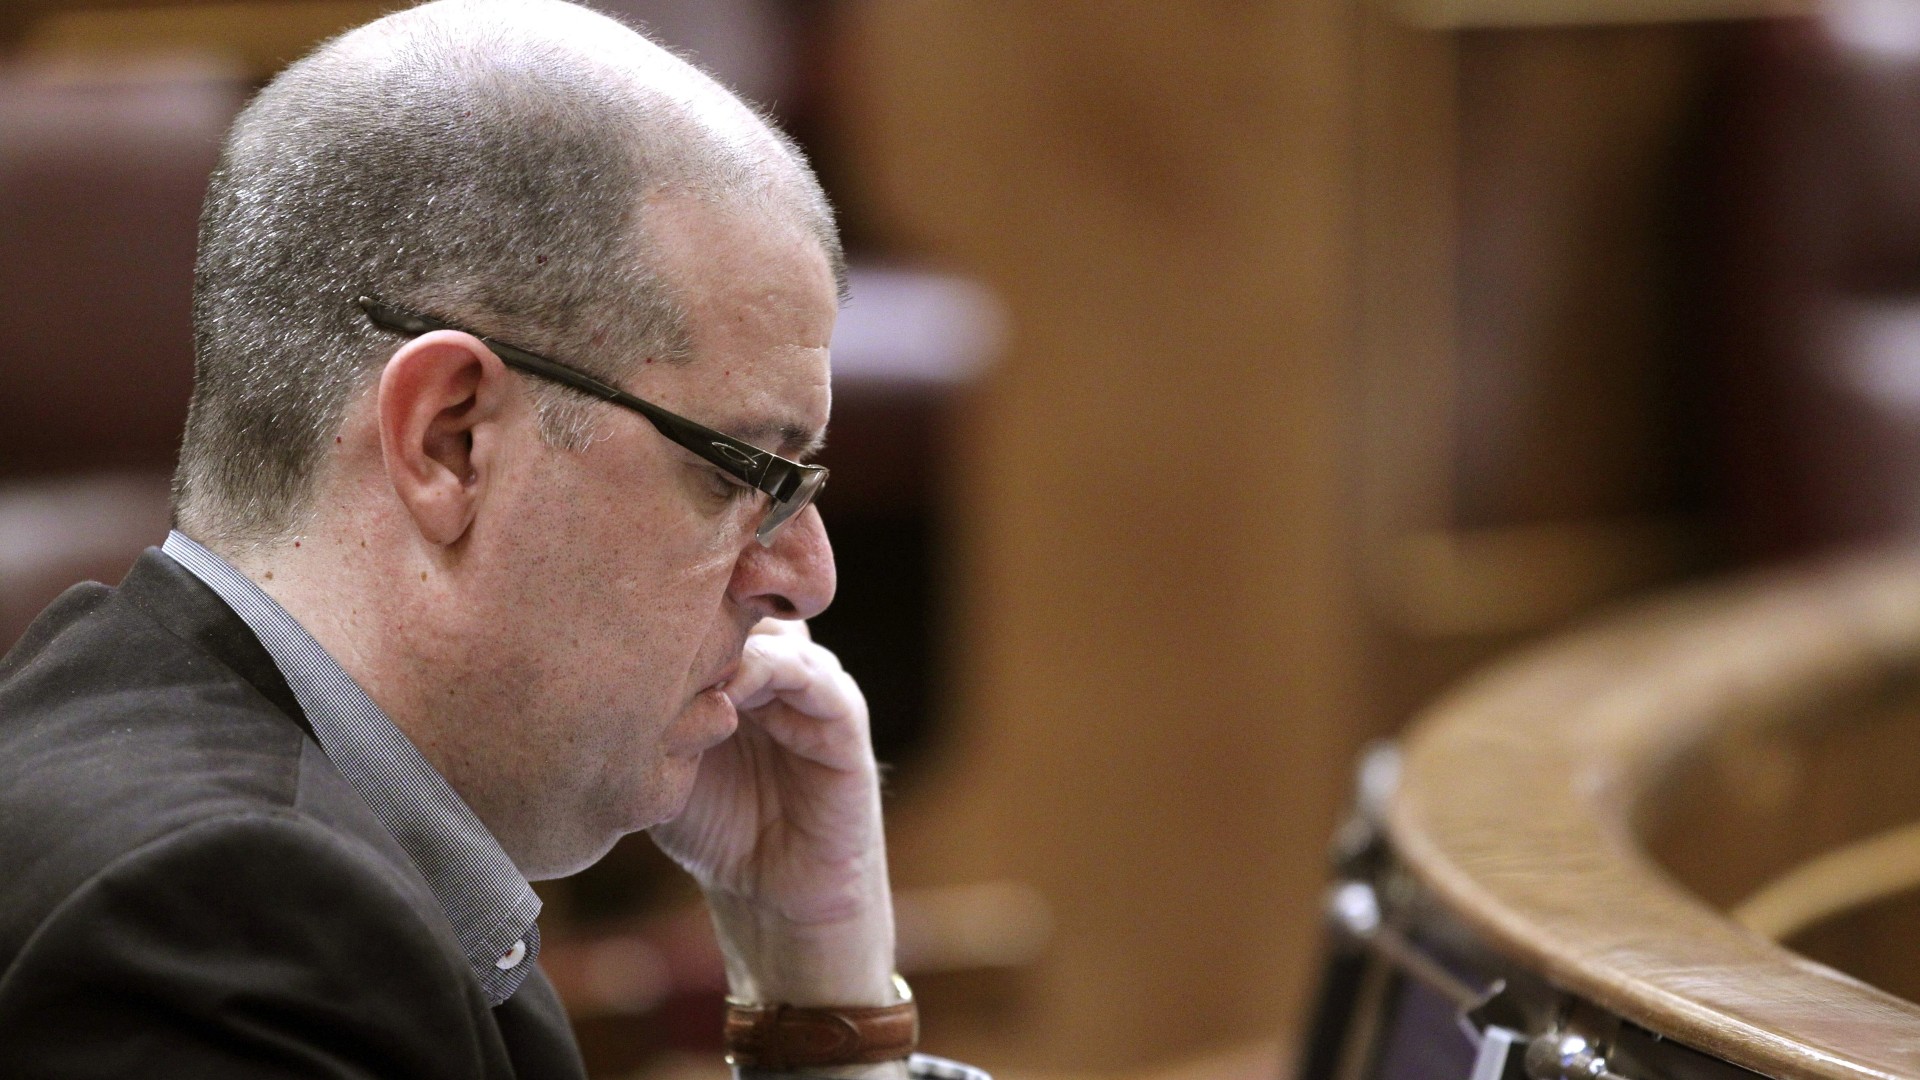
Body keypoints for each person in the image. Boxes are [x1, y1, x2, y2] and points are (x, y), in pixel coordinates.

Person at [0, 2, 982, 1076]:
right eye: (740, 470)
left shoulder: (249, 830)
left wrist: (816, 992)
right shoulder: (232, 921)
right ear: (452, 440)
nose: (808, 577)